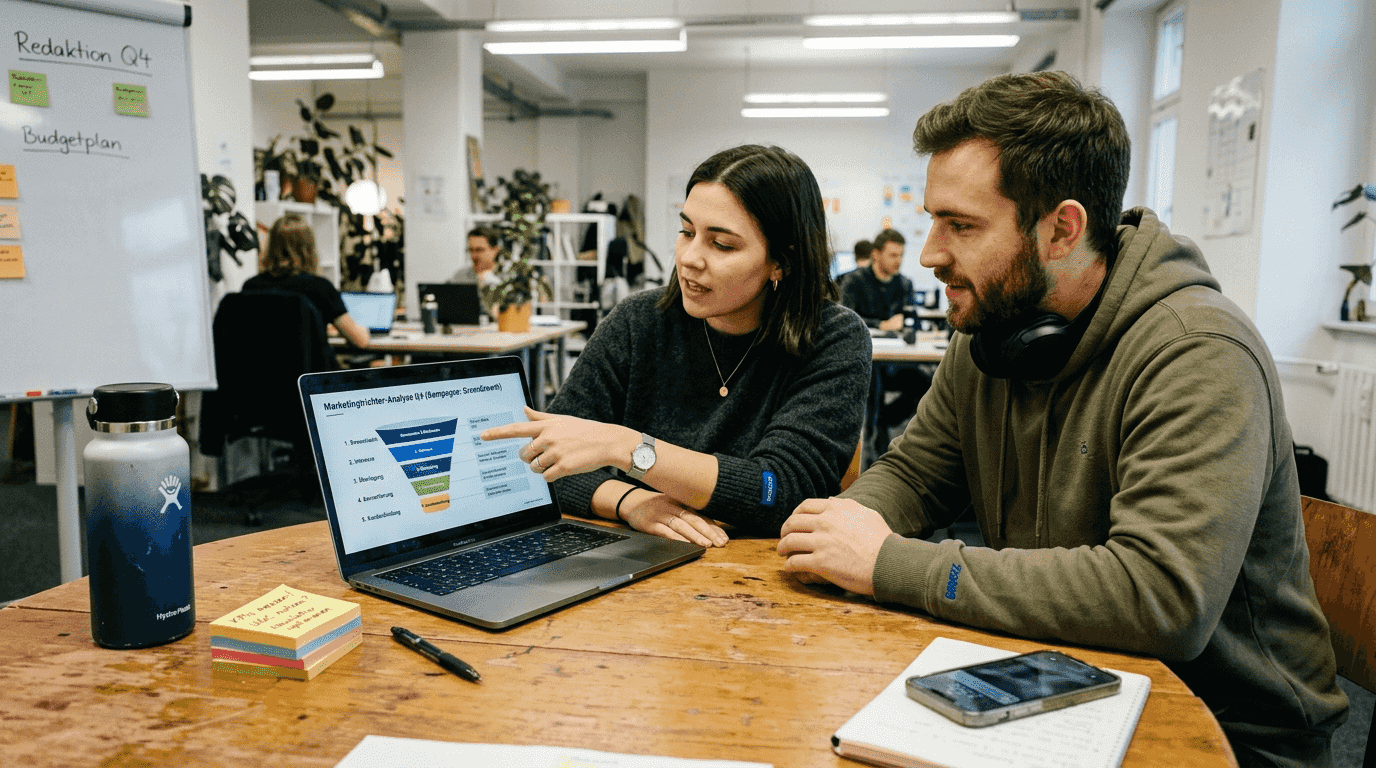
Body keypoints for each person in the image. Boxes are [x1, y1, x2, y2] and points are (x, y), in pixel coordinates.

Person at [777, 72, 1347, 767]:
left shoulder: (1198, 353)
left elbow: (1160, 599)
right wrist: (843, 532)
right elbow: (916, 474)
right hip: (1055, 678)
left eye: (961, 225)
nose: (929, 254)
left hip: (1229, 731)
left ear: (1062, 230)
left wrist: (891, 564)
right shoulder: (993, 333)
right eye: (932, 220)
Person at [480, 145, 871, 547]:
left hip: (762, 569)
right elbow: (544, 461)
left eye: (722, 244)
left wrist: (626, 447)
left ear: (781, 262)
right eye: (686, 232)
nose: (689, 258)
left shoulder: (833, 337)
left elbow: (783, 491)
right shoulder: (638, 322)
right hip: (641, 559)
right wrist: (632, 502)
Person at [841, 228, 930, 455]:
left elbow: (914, 321)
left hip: (895, 360)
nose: (898, 260)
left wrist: (908, 324)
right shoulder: (854, 281)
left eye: (901, 255)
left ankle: (882, 421)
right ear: (876, 254)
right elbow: (845, 319)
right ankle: (874, 442)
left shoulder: (904, 284)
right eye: (893, 255)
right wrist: (881, 325)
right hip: (865, 360)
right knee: (874, 381)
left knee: (926, 385)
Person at [243, 214, 369, 349]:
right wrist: (364, 330)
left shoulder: (251, 287)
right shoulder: (320, 288)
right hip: (308, 363)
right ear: (308, 247)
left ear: (271, 245)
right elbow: (360, 341)